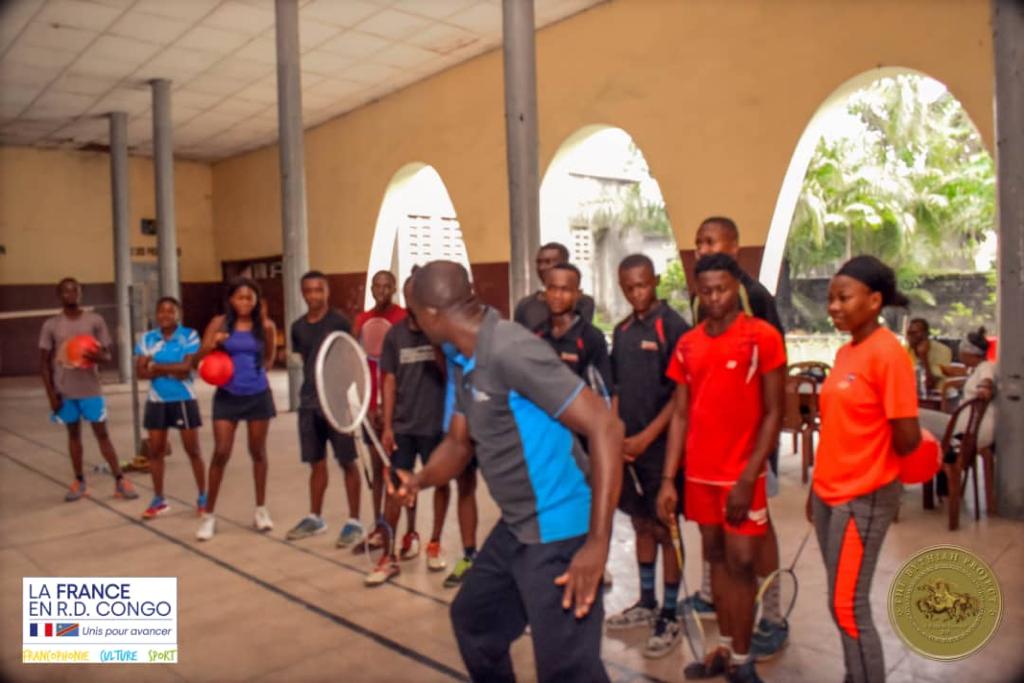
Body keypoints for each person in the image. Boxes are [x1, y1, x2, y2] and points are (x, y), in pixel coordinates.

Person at [394, 260, 623, 682]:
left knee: (567, 671)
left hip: (560, 528)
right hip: (518, 527)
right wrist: (421, 478)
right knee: (475, 622)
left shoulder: (510, 349)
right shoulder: (462, 356)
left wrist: (596, 544)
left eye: (413, 314)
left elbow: (606, 426)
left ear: (429, 315)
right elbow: (459, 443)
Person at [659, 253, 785, 683]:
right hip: (699, 476)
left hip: (741, 476)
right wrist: (667, 479)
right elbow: (680, 414)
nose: (714, 298)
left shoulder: (761, 337)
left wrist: (749, 476)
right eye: (706, 290)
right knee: (714, 558)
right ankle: (724, 653)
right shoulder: (688, 344)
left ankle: (745, 659)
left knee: (743, 563)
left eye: (722, 289)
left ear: (737, 289)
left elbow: (774, 412)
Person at [810, 255, 921, 683]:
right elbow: (839, 428)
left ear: (874, 301)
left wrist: (869, 462)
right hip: (828, 493)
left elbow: (907, 437)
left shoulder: (888, 353)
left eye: (843, 297)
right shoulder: (846, 351)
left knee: (848, 605)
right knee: (841, 602)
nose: (833, 306)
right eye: (830, 299)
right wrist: (815, 488)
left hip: (863, 496)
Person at [689, 216, 789, 658]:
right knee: (716, 536)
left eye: (712, 240)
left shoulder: (754, 296)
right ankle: (713, 595)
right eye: (698, 242)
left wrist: (760, 450)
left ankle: (773, 614)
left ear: (735, 246)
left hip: (750, 446)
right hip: (713, 449)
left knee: (756, 535)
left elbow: (772, 368)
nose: (702, 247)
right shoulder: (701, 300)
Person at [605, 254, 690, 659]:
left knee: (665, 529)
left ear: (655, 280)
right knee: (640, 524)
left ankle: (670, 612)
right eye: (629, 287)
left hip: (662, 451)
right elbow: (617, 387)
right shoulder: (621, 331)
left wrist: (645, 439)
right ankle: (646, 600)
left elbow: (680, 398)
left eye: (643, 284)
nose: (637, 293)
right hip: (630, 450)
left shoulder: (673, 327)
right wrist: (619, 432)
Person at [367, 276, 452, 586]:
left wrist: (434, 341)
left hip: (435, 425)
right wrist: (387, 425)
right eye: (410, 295)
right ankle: (388, 558)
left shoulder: (440, 332)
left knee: (441, 484)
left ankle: (434, 542)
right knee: (395, 488)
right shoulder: (395, 336)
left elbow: (449, 373)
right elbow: (388, 380)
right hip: (403, 425)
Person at [39, 277, 138, 502]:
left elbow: (107, 356)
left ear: (81, 294)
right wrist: (51, 395)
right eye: (65, 291)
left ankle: (120, 480)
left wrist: (97, 356)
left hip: (91, 390)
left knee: (102, 435)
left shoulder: (95, 320)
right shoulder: (51, 325)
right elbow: (44, 364)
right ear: (59, 295)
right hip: (65, 391)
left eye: (75, 291)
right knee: (73, 435)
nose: (70, 294)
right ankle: (79, 481)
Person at [195, 277, 278, 541]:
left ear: (255, 301)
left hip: (257, 395)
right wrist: (214, 344)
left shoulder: (265, 326)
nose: (244, 302)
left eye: (249, 298)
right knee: (221, 452)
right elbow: (198, 357)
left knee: (258, 452)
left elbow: (269, 358)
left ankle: (261, 510)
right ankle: (208, 515)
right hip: (227, 395)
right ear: (231, 300)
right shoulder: (219, 323)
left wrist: (253, 375)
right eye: (240, 297)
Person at [285, 271, 364, 548]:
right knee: (316, 463)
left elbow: (351, 358)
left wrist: (346, 398)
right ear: (302, 292)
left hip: (336, 402)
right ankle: (315, 517)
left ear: (327, 292)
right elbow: (309, 363)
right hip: (308, 403)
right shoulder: (298, 327)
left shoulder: (339, 322)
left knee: (346, 462)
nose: (314, 295)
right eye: (308, 290)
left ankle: (355, 521)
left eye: (319, 290)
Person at [134, 296, 205, 518]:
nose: (165, 315)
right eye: (161, 311)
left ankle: (203, 497)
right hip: (157, 401)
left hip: (183, 399)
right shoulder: (147, 339)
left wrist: (155, 366)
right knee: (155, 451)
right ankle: (159, 499)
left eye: (170, 311)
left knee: (192, 450)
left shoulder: (189, 335)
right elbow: (140, 372)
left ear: (178, 314)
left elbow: (186, 368)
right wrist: (169, 368)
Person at [353, 270, 407, 548]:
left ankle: (406, 532)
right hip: (370, 408)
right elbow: (355, 364)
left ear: (394, 288)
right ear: (371, 289)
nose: (382, 290)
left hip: (398, 409)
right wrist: (366, 404)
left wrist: (390, 406)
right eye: (378, 286)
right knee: (377, 471)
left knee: (399, 470)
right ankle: (378, 527)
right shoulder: (362, 320)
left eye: (388, 286)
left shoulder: (405, 317)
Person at [918, 327, 996, 483]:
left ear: (967, 352)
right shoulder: (980, 368)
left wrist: (984, 388)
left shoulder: (986, 368)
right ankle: (940, 478)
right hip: (966, 426)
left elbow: (986, 382)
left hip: (968, 431)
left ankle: (928, 467)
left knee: (915, 415)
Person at [532, 263, 612, 385]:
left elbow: (602, 389)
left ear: (577, 294)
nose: (557, 296)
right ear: (545, 292)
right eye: (552, 288)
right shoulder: (536, 334)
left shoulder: (591, 337)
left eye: (565, 290)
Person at [513, 242, 596, 331]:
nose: (541, 267)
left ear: (564, 264)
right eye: (539, 262)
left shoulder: (583, 302)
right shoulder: (525, 305)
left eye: (548, 262)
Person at [905, 318, 952, 394]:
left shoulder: (943, 351)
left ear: (925, 334)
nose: (910, 337)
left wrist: (923, 357)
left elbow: (929, 384)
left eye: (914, 333)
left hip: (936, 397)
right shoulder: (904, 350)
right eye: (908, 333)